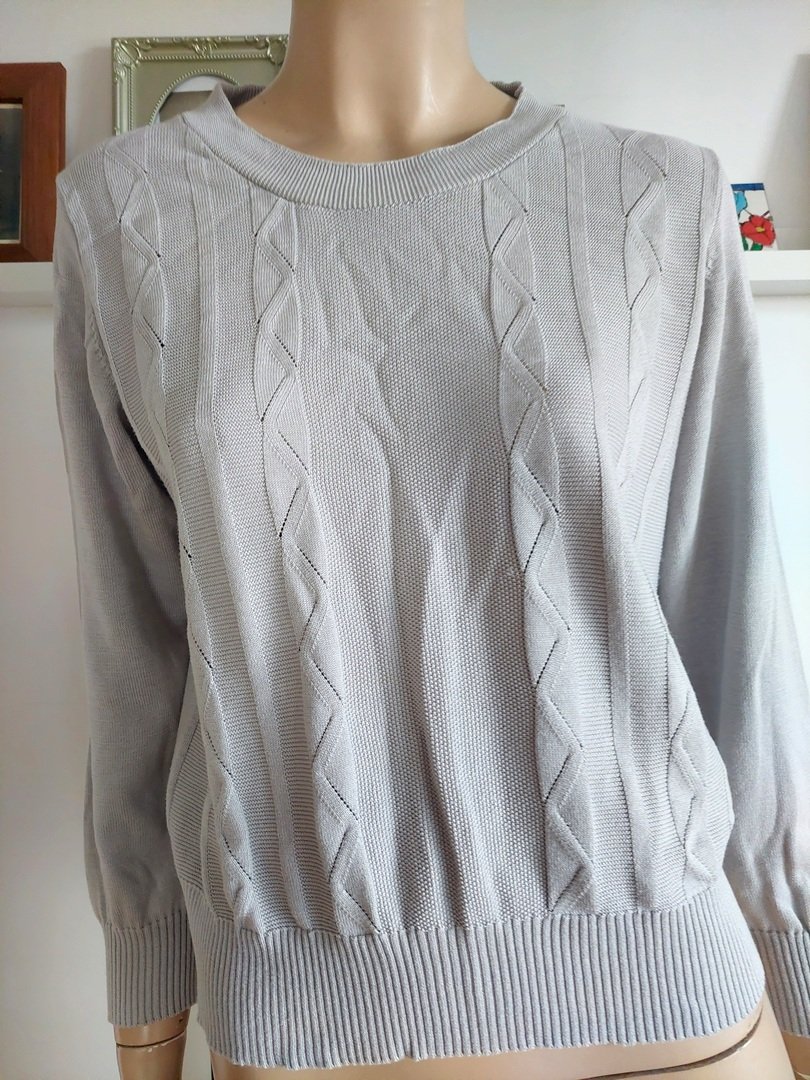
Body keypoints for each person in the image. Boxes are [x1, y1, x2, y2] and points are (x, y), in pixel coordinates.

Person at [52, 1, 810, 1077]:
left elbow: (732, 620)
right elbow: (133, 646)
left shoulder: (662, 197)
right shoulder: (124, 212)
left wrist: (795, 949)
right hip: (306, 1017)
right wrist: (147, 999)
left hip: (677, 1012)